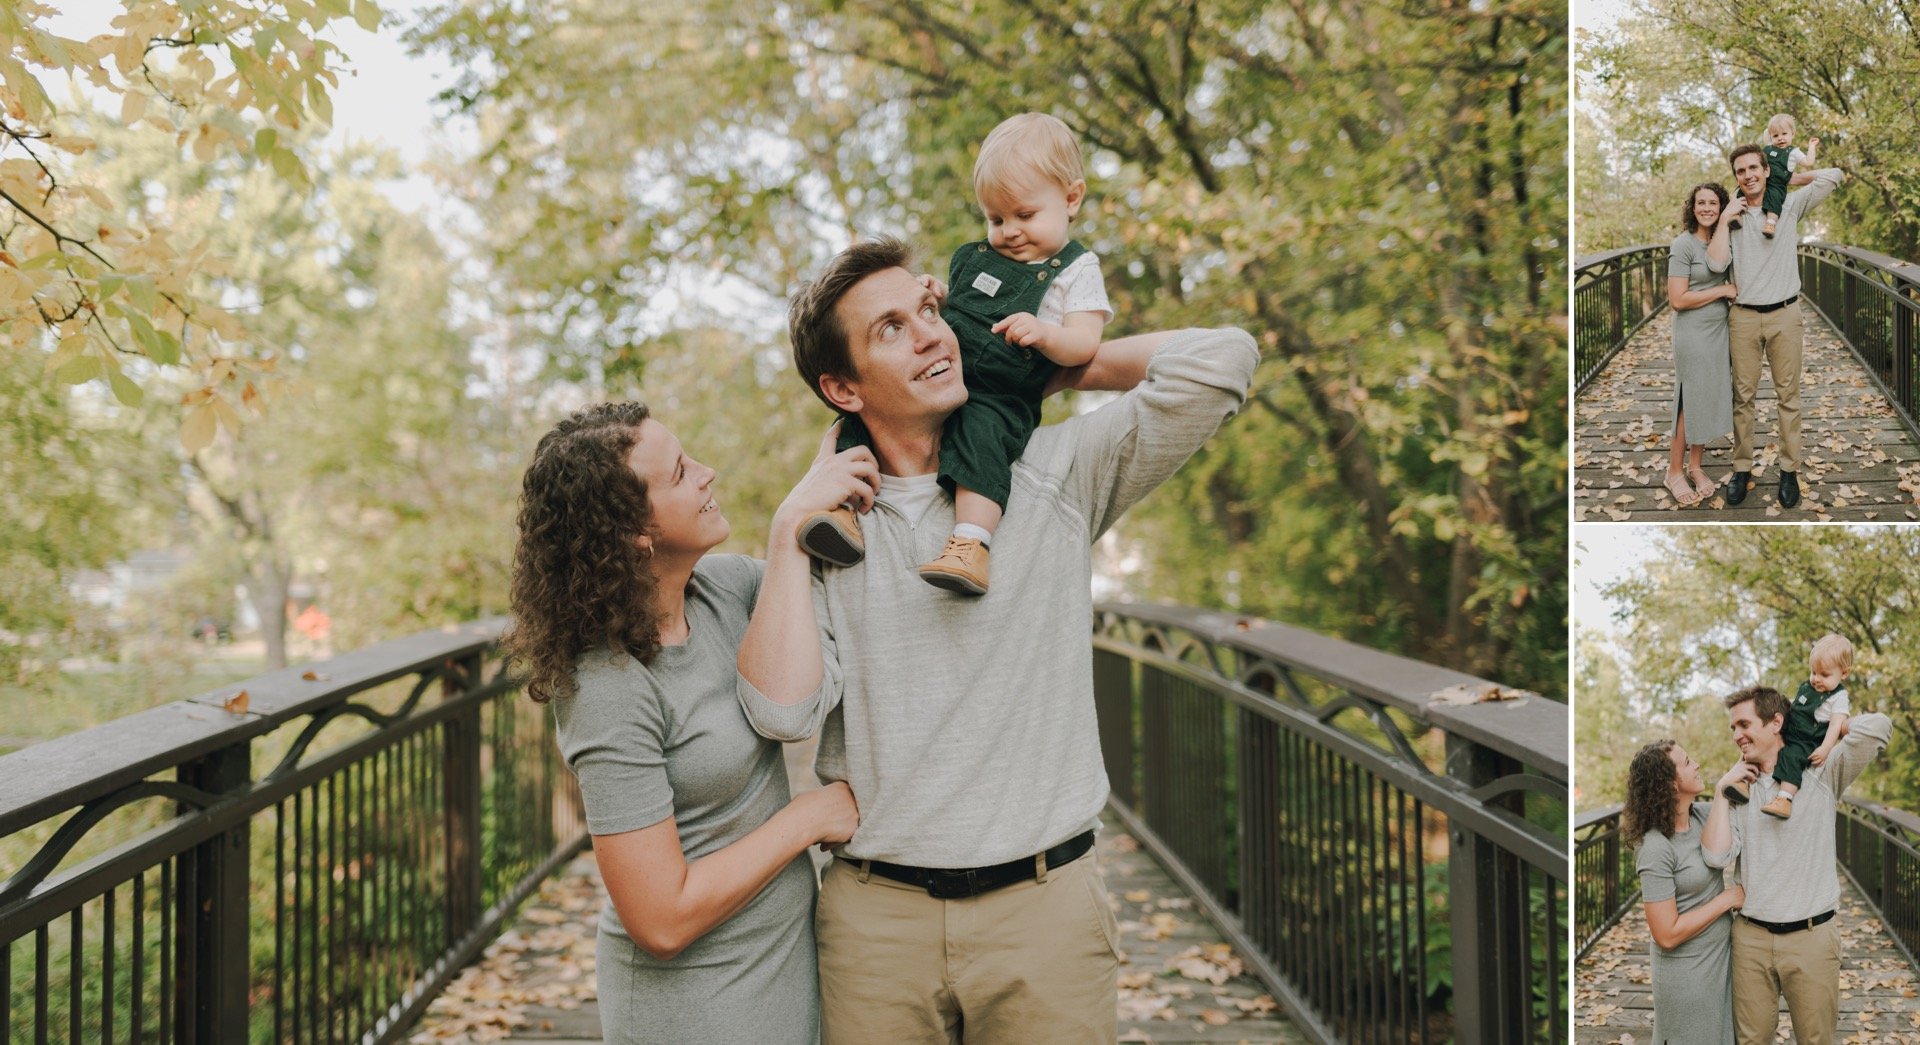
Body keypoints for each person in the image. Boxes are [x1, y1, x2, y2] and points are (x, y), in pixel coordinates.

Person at [738, 237, 1257, 1043]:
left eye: (931, 311)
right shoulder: (829, 526)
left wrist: (1052, 363)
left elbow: (1222, 361)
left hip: (1044, 914)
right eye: (891, 329)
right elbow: (780, 711)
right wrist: (783, 535)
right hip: (876, 926)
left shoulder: (1051, 469)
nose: (932, 335)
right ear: (841, 388)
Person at [506, 402, 878, 1044]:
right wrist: (807, 818)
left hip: (787, 970)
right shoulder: (607, 684)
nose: (707, 473)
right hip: (693, 1006)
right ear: (633, 531)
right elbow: (660, 918)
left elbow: (845, 583)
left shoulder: (724, 590)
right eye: (680, 473)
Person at [798, 113, 1113, 595]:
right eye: (995, 219)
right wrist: (935, 298)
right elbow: (965, 307)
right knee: (849, 431)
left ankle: (970, 542)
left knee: (983, 442)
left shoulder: (1076, 270)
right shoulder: (981, 257)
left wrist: (1046, 337)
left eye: (1024, 215)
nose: (1008, 231)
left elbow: (1085, 342)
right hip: (958, 366)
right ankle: (836, 512)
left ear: (1071, 198)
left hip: (1000, 392)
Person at [1703, 685, 1891, 1045]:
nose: (1737, 736)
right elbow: (1716, 857)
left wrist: (1826, 727)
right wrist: (1720, 791)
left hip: (1811, 938)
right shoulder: (1741, 788)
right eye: (1733, 729)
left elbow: (1879, 727)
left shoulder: (1820, 772)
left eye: (1743, 724)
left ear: (1777, 722)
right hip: (1751, 940)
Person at [1720, 144, 1844, 510]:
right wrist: (1727, 213)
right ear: (1736, 178)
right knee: (1742, 398)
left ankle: (1789, 470)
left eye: (1755, 168)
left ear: (1765, 169)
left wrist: (1789, 175)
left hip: (1785, 315)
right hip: (1742, 317)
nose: (1748, 175)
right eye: (1741, 171)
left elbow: (1832, 175)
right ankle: (1742, 468)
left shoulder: (1788, 206)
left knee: (1788, 397)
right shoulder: (1732, 214)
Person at [1624, 741, 1744, 1045]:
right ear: (1668, 783)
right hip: (1687, 974)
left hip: (1722, 962)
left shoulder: (1703, 816)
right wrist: (1726, 900)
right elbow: (1666, 934)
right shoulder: (1655, 847)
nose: (1697, 765)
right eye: (1687, 762)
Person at [1722, 634, 1853, 820]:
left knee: (1792, 757)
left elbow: (1835, 725)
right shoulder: (1809, 686)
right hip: (1791, 724)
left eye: (1824, 675)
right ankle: (1743, 781)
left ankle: (1784, 798)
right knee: (1759, 741)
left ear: (1844, 673)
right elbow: (1796, 704)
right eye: (1814, 672)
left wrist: (1825, 748)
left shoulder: (1839, 698)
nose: (1816, 679)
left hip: (1807, 738)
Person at [1664, 183, 1739, 507]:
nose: (1707, 208)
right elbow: (1677, 299)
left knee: (1707, 395)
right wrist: (1722, 291)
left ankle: (1695, 466)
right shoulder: (1683, 245)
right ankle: (1673, 471)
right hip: (1693, 332)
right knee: (1689, 400)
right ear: (1692, 208)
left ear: (1722, 207)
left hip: (1718, 330)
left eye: (1713, 203)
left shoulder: (1723, 239)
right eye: (1701, 203)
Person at [1759, 114, 1819, 239]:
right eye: (1776, 135)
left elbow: (1808, 162)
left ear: (1793, 134)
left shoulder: (1794, 152)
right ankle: (1735, 216)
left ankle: (1770, 224)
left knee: (1775, 199)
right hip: (1762, 180)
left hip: (1777, 185)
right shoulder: (1770, 146)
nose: (1780, 138)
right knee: (1742, 191)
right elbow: (1767, 131)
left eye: (1784, 134)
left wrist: (1811, 146)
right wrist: (1783, 119)